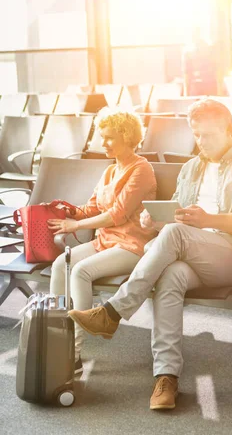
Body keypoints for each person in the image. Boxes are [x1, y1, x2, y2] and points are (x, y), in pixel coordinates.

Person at [67, 99, 232, 410]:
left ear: (228, 130)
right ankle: (166, 377)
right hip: (192, 251)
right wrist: (155, 222)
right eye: (197, 135)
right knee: (171, 276)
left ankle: (112, 312)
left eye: (208, 135)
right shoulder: (191, 167)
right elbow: (176, 216)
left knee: (175, 236)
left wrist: (209, 221)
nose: (201, 142)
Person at [48, 108, 157, 373]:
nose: (102, 143)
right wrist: (69, 211)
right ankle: (55, 339)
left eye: (108, 138)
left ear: (126, 136)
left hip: (131, 246)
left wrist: (76, 225)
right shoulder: (110, 171)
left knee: (81, 271)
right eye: (102, 137)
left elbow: (117, 215)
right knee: (60, 264)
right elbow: (92, 207)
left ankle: (73, 353)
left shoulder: (141, 169)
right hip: (105, 242)